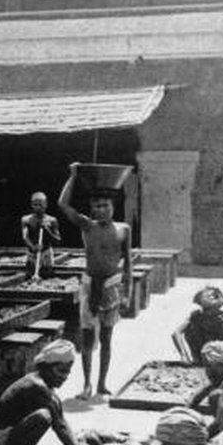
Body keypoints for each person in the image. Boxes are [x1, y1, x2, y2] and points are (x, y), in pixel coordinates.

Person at [58, 163, 132, 400]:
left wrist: (128, 294)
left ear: (113, 206)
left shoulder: (123, 229)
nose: (101, 210)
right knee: (88, 338)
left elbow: (128, 263)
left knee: (107, 338)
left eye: (105, 205)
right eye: (96, 206)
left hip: (112, 287)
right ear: (91, 209)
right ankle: (87, 384)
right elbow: (63, 205)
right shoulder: (87, 226)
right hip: (90, 286)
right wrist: (72, 176)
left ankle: (102, 383)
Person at [0, 340, 100, 445]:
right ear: (46, 368)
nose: (65, 377)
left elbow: (61, 420)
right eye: (61, 371)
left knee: (48, 415)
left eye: (67, 372)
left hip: (3, 443)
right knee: (43, 416)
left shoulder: (44, 385)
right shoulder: (36, 386)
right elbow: (60, 426)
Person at [172, 286, 223, 365]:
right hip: (199, 358)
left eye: (215, 295)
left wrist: (220, 353)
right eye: (209, 295)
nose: (212, 297)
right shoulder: (194, 317)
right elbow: (176, 333)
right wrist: (184, 355)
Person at [20, 192, 61, 278]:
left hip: (46, 255)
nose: (38, 207)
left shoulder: (52, 220)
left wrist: (47, 230)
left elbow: (58, 240)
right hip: (32, 255)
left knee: (47, 277)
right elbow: (25, 237)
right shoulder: (25, 219)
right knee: (29, 278)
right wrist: (33, 247)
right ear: (31, 205)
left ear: (46, 204)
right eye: (35, 205)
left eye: (41, 205)